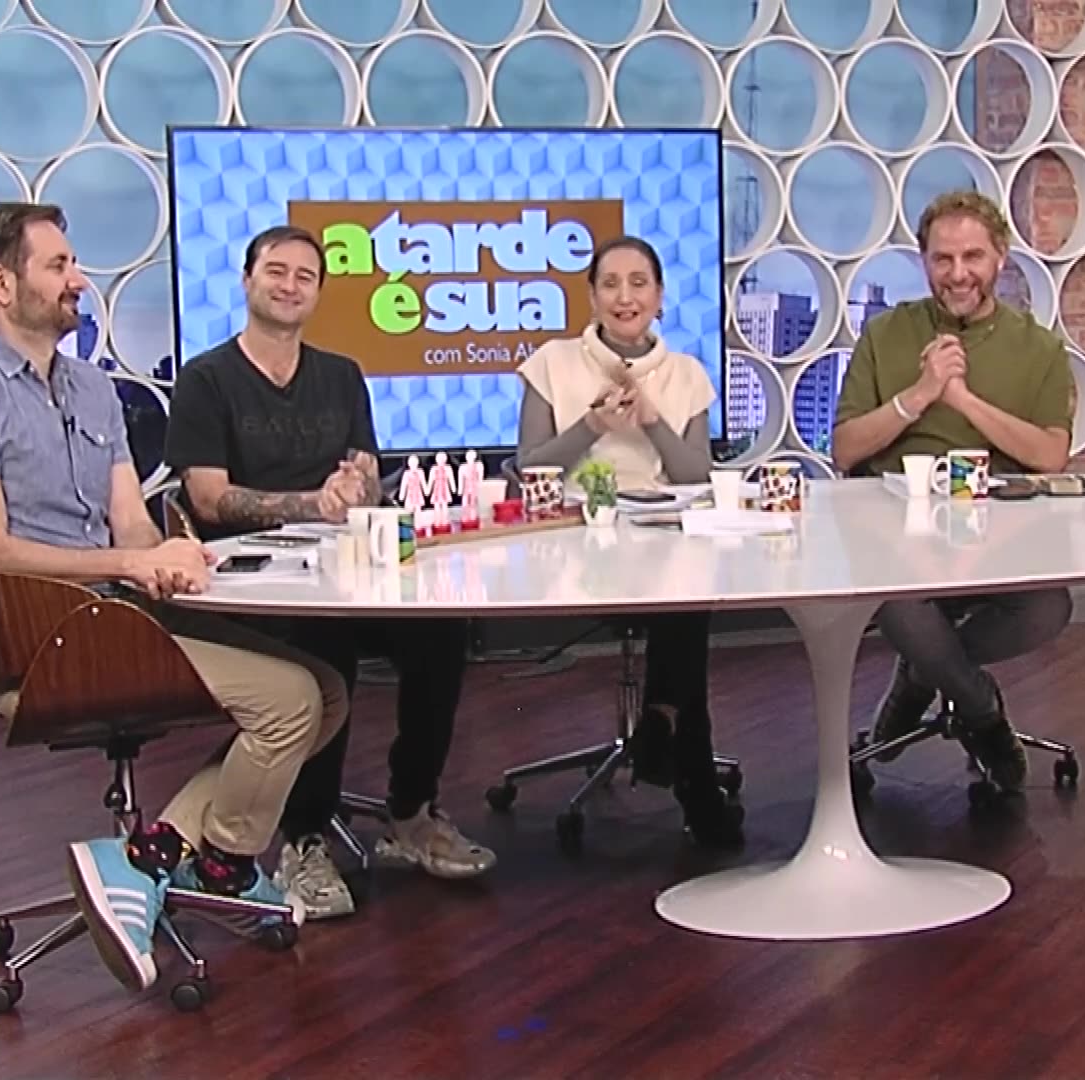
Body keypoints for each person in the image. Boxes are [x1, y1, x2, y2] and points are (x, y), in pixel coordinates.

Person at [0, 202, 346, 994]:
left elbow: (129, 522)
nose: (79, 279)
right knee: (289, 702)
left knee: (329, 692)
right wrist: (131, 563)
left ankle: (163, 857)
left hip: (119, 616)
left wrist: (166, 556)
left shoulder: (91, 388)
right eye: (59, 265)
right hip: (39, 638)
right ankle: (206, 859)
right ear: (0, 284)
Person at [164, 225, 496, 914]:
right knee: (323, 645)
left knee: (440, 632)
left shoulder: (341, 374)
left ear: (318, 292)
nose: (290, 285)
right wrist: (308, 502)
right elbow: (207, 496)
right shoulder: (206, 379)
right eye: (276, 271)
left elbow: (364, 475)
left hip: (340, 564)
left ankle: (412, 812)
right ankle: (305, 840)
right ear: (247, 280)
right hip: (250, 586)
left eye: (305, 276)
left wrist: (354, 489)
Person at [830, 190, 1075, 792]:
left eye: (973, 257)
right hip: (898, 539)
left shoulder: (1039, 347)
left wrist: (962, 400)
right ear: (924, 261)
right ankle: (983, 713)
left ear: (1000, 257)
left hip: (998, 539)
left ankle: (917, 679)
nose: (958, 274)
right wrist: (920, 394)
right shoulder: (887, 333)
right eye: (942, 259)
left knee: (1050, 608)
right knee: (903, 604)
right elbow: (846, 449)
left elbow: (1051, 455)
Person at [514, 235, 743, 847]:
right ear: (591, 296)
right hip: (573, 542)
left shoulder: (686, 373)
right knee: (683, 609)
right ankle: (687, 771)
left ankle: (665, 731)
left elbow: (695, 476)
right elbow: (529, 467)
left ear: (660, 296)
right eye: (610, 284)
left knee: (687, 589)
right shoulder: (553, 362)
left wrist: (652, 421)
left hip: (661, 538)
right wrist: (592, 425)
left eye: (639, 283)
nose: (625, 296)